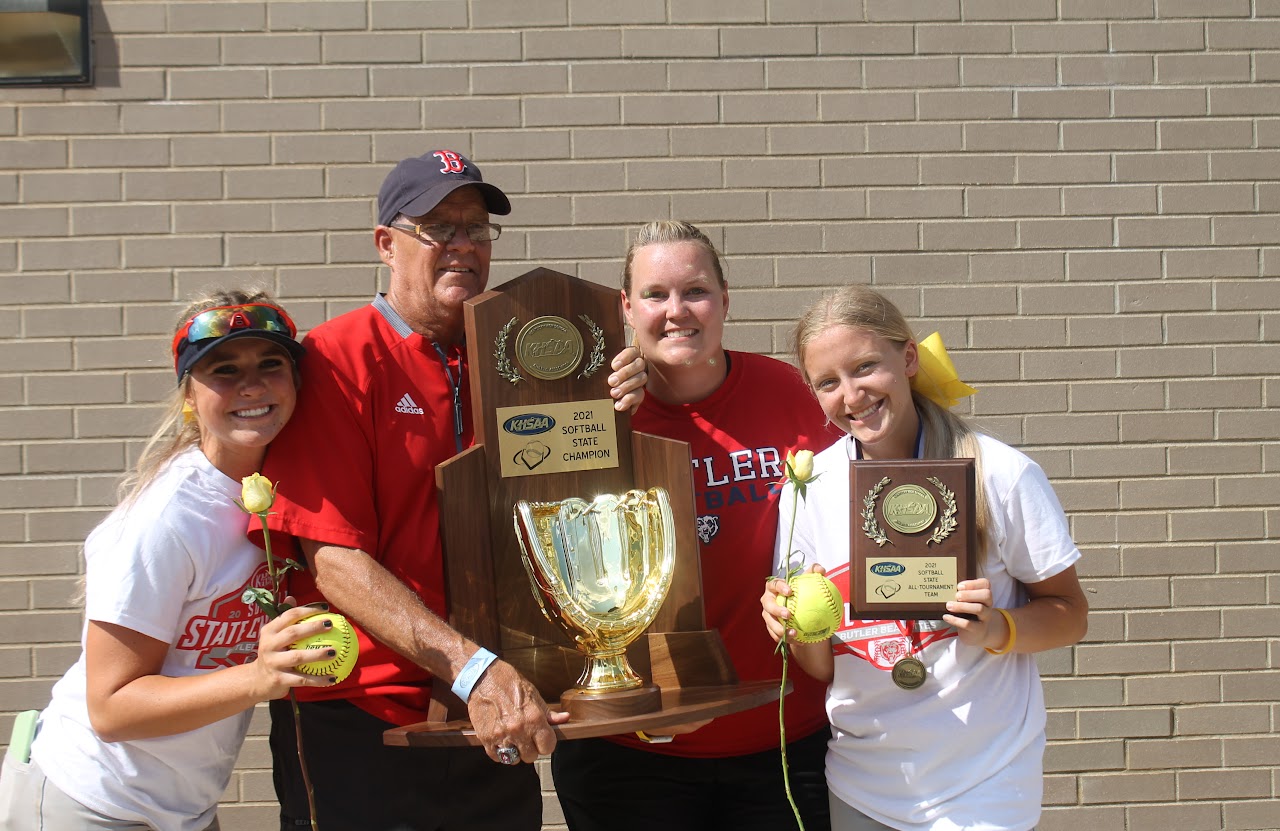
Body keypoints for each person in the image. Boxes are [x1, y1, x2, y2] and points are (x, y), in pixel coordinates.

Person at [254, 150, 648, 831]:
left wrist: (616, 405)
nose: (464, 245)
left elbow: (572, 502)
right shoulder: (335, 359)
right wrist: (474, 668)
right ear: (386, 243)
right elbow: (334, 561)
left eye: (477, 229)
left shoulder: (511, 353)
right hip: (366, 716)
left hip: (494, 707)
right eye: (439, 228)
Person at [0, 290, 334, 831]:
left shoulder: (281, 493)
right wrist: (260, 675)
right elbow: (111, 708)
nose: (250, 384)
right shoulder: (166, 518)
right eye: (223, 370)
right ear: (189, 397)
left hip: (181, 810)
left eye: (270, 364)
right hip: (90, 802)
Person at [760, 285, 1089, 831]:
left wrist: (996, 628)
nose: (851, 395)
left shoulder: (1001, 473)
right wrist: (794, 629)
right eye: (827, 382)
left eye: (865, 366)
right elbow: (821, 669)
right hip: (864, 782)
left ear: (908, 357)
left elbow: (1070, 613)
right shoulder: (807, 487)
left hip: (985, 783)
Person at [551, 221, 837, 831]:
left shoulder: (788, 392)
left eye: (696, 292)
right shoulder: (587, 416)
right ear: (626, 307)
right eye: (655, 294)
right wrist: (602, 427)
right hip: (629, 755)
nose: (676, 311)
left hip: (785, 741)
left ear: (725, 299)